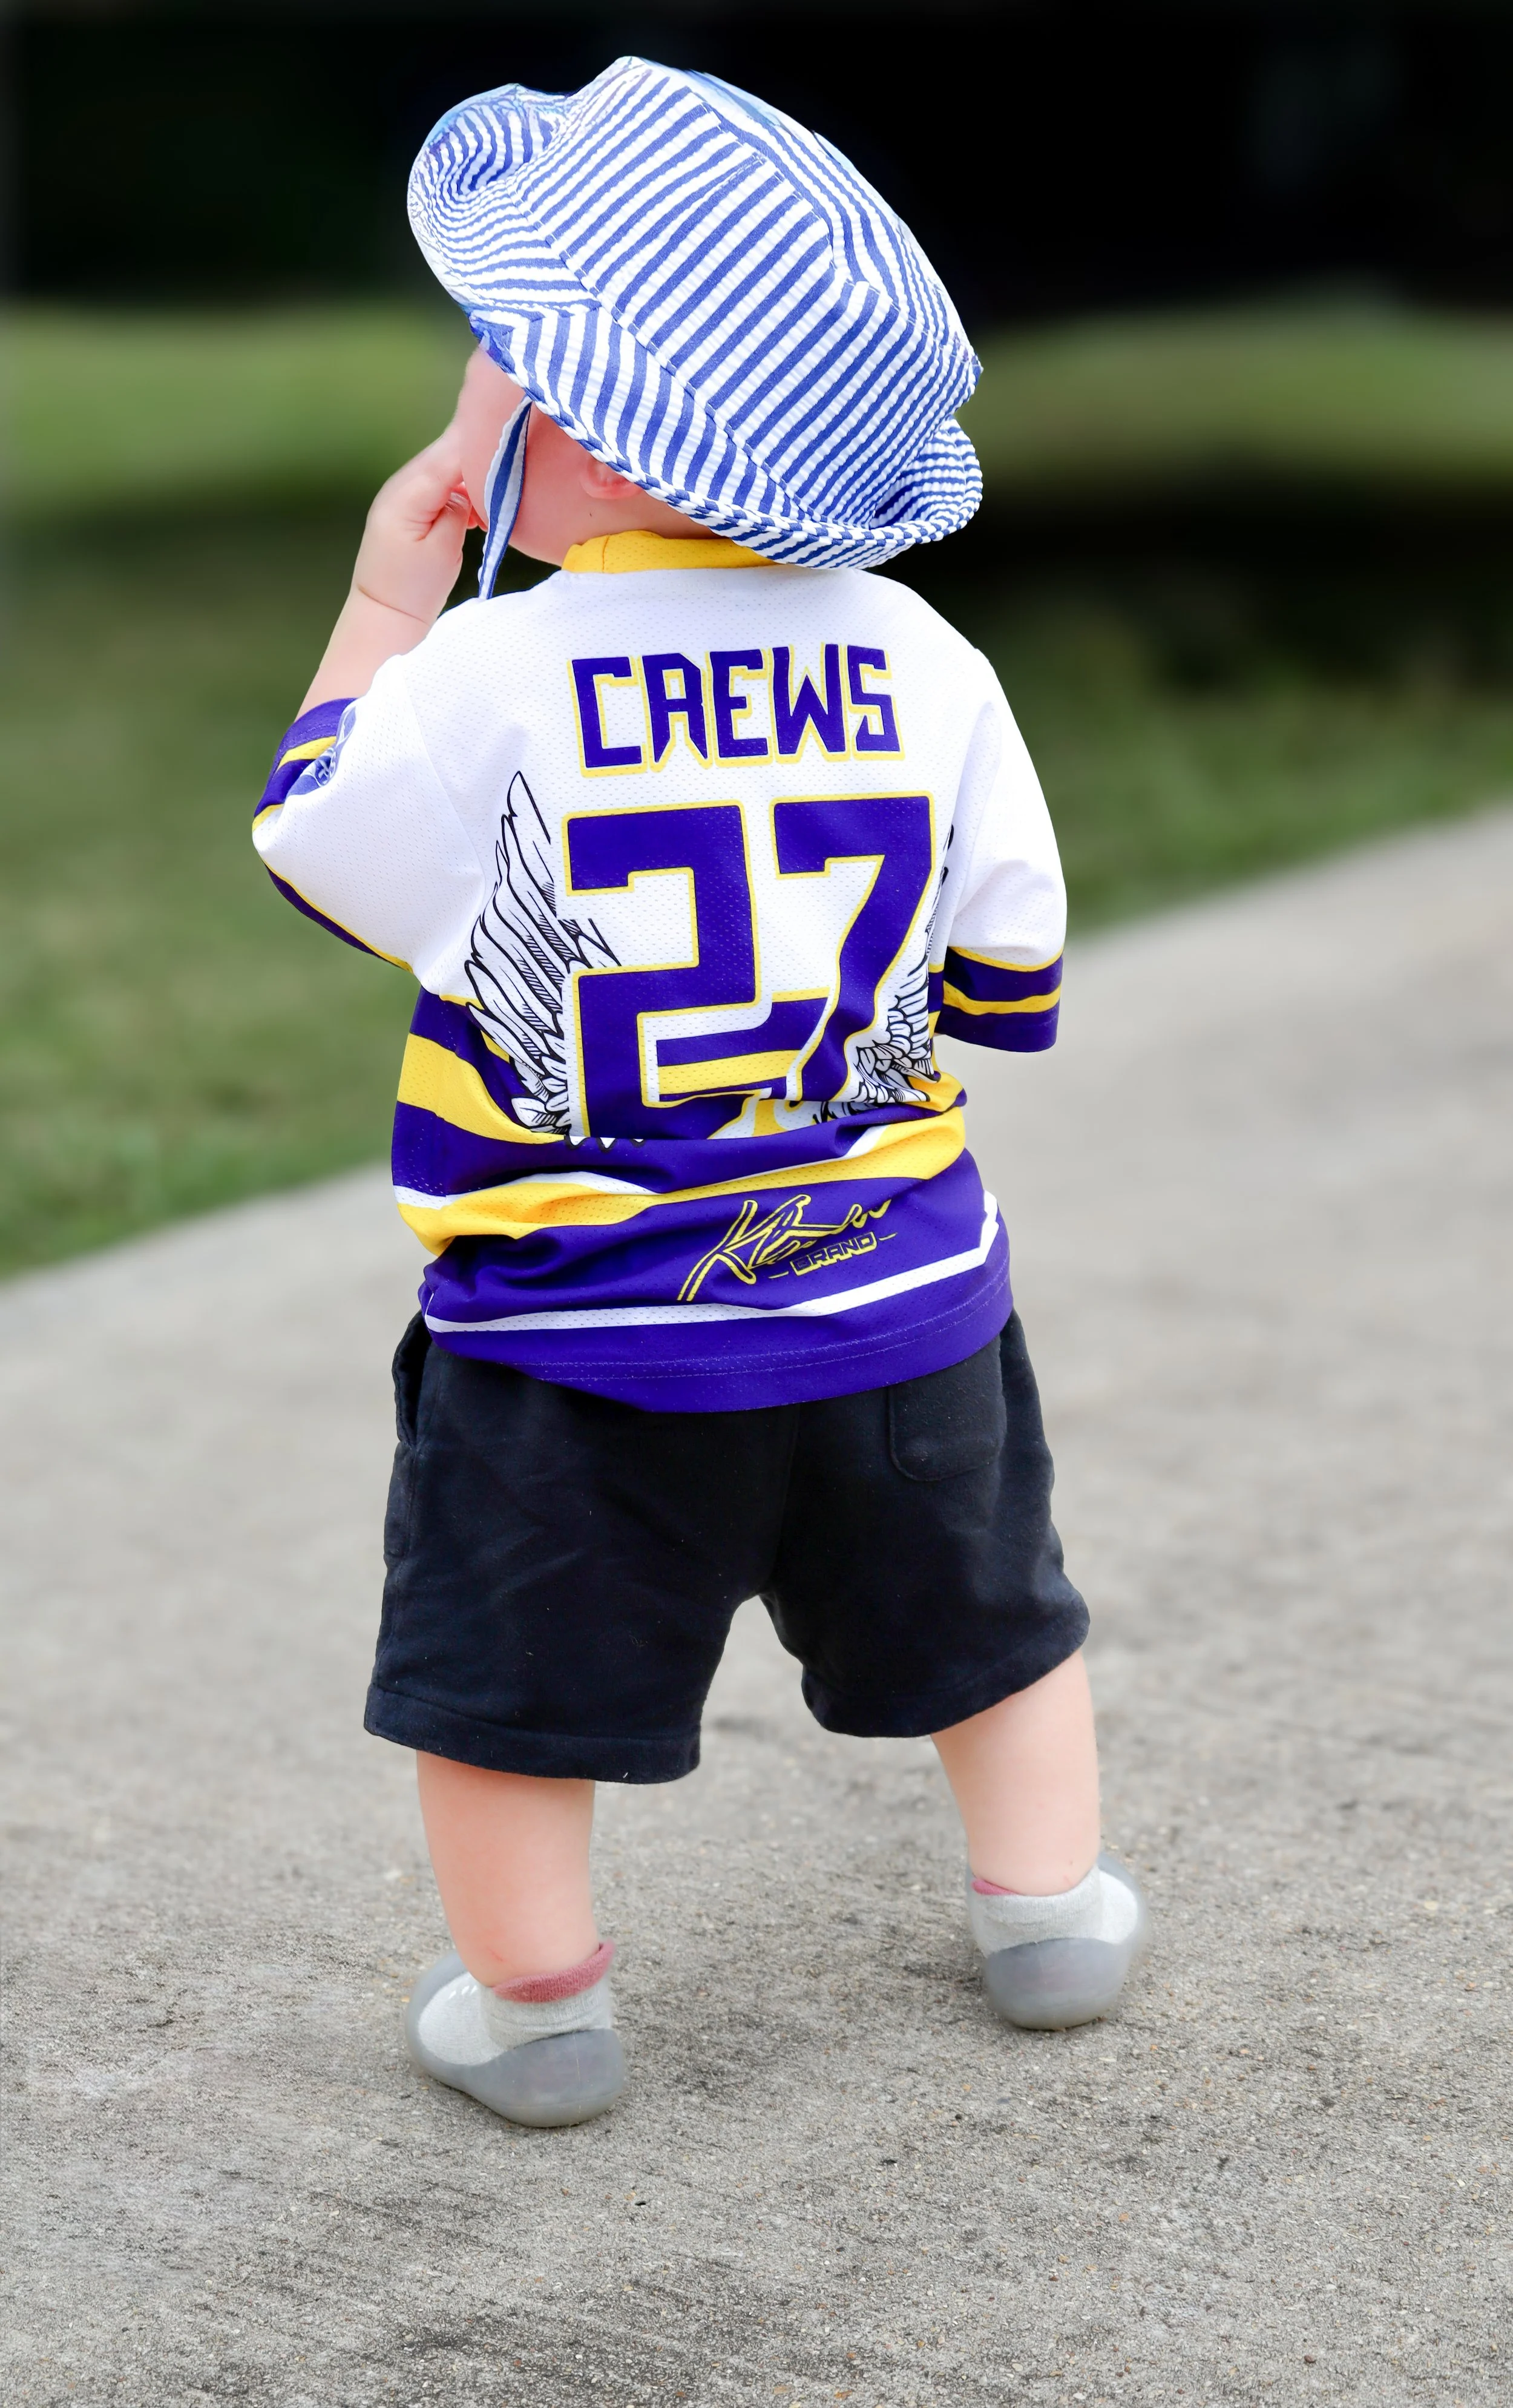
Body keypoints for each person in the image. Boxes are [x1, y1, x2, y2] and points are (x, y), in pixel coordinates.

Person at [253, 58, 1147, 2129]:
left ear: (559, 428)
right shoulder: (927, 655)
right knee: (995, 1622)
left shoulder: (489, 669)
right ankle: (1049, 1911)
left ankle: (542, 2008)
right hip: (892, 1292)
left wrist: (391, 600)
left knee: (505, 1703)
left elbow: (327, 849)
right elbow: (1005, 945)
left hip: (581, 1337)